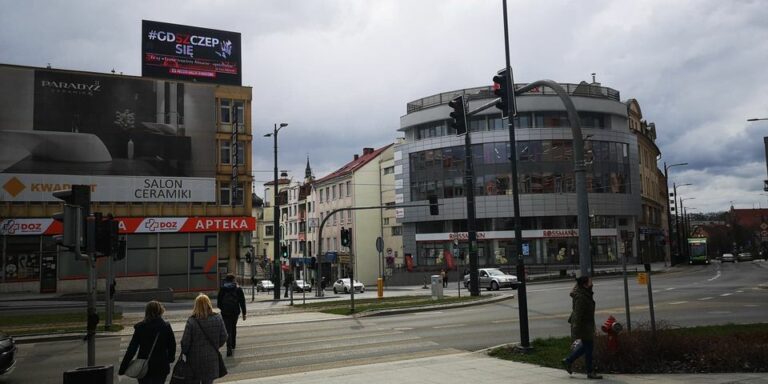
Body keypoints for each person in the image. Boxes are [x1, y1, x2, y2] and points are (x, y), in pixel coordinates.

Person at [118, 300, 176, 384]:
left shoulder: (140, 328)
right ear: (160, 311)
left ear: (147, 312)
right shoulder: (165, 327)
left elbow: (131, 349)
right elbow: (172, 345)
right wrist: (170, 359)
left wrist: (123, 368)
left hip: (143, 367)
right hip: (161, 366)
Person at [181, 293, 228, 384]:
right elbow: (224, 336)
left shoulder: (192, 321)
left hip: (194, 360)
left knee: (194, 380)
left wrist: (186, 352)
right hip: (211, 358)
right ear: (209, 303)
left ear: (196, 305)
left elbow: (185, 343)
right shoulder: (218, 318)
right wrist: (216, 346)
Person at [562, 276, 602, 379]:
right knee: (589, 348)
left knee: (586, 347)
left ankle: (568, 361)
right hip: (584, 327)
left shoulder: (585, 292)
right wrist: (576, 333)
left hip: (587, 325)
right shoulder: (581, 297)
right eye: (590, 282)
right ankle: (589, 372)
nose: (592, 283)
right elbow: (577, 315)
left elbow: (578, 285)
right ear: (585, 284)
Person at [217, 274, 246, 357]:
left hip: (225, 313)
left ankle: (228, 347)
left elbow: (219, 303)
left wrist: (223, 309)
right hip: (235, 312)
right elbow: (242, 302)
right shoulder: (238, 289)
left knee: (227, 329)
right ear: (234, 280)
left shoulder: (222, 289)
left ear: (226, 280)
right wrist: (244, 313)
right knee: (233, 327)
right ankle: (233, 345)